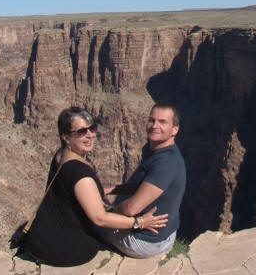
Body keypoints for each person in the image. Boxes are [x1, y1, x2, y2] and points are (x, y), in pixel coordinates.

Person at [24, 107, 168, 267]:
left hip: (42, 239)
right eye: (81, 131)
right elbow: (100, 219)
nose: (90, 135)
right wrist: (139, 222)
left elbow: (73, 191)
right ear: (65, 136)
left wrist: (117, 189)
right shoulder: (80, 172)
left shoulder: (60, 155)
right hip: (64, 250)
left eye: (92, 128)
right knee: (108, 227)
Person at [99, 102, 186, 258]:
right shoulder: (161, 152)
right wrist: (109, 189)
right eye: (152, 120)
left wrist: (109, 213)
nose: (154, 125)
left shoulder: (165, 163)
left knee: (91, 221)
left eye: (162, 122)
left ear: (175, 130)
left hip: (146, 242)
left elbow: (130, 209)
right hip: (165, 234)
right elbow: (140, 186)